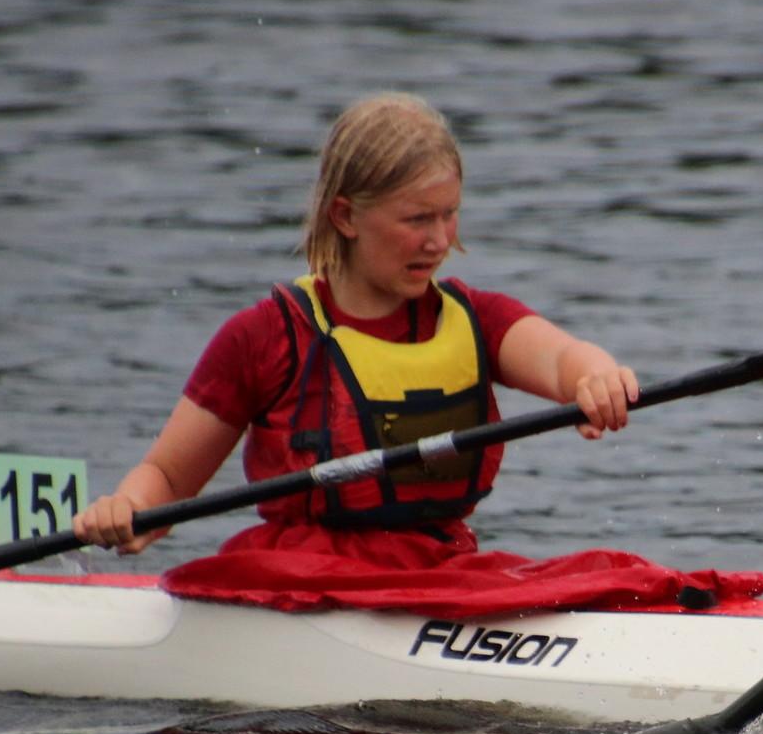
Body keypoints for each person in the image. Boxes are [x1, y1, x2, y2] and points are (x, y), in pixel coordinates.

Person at [74, 92, 640, 563]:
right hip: (297, 583)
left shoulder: (475, 319)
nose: (440, 241)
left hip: (439, 572)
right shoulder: (263, 338)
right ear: (344, 216)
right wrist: (127, 510)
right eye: (418, 218)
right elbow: (169, 479)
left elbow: (565, 361)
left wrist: (596, 378)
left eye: (449, 213)